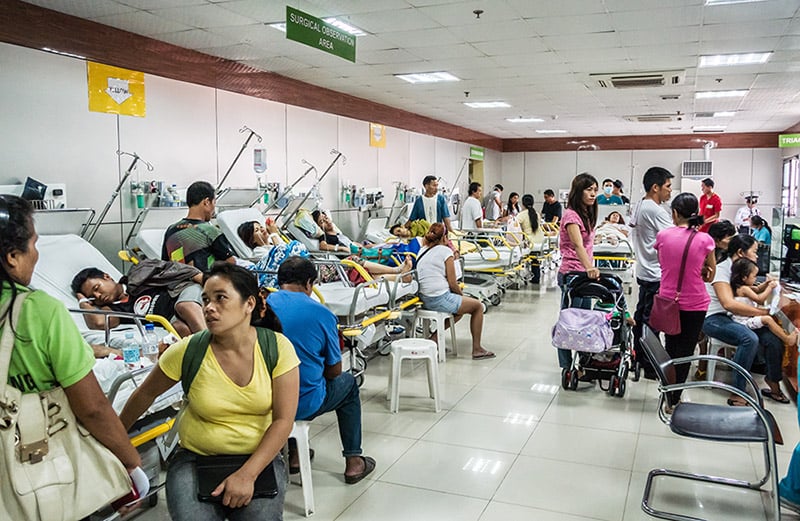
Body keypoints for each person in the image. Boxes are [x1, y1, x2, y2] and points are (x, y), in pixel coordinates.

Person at [119, 263, 300, 519]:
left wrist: (247, 474)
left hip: (259, 457)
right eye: (205, 300)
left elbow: (283, 420)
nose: (209, 308)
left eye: (220, 298)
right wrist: (116, 447)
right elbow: (144, 395)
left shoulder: (277, 348)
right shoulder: (189, 351)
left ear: (249, 304)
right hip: (195, 459)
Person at [0, 195, 143, 504]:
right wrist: (130, 462)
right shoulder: (39, 311)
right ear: (12, 256)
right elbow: (92, 408)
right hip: (41, 465)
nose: (36, 254)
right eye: (34, 244)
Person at [268, 257, 376, 484]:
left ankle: (295, 454)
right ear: (309, 283)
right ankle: (354, 462)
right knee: (348, 385)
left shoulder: (261, 307)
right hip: (303, 404)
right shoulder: (322, 314)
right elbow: (334, 371)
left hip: (264, 401)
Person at [702, 234, 788, 406]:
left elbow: (750, 292)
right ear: (741, 252)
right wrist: (762, 312)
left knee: (773, 337)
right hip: (715, 318)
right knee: (749, 338)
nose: (757, 256)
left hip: (736, 317)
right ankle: (737, 392)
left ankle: (773, 383)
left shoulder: (740, 270)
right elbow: (729, 304)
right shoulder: (722, 270)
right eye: (754, 252)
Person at [654, 193, 716, 408]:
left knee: (670, 349)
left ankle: (666, 391)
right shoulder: (706, 240)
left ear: (674, 213)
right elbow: (710, 276)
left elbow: (663, 265)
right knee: (686, 351)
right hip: (696, 303)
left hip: (668, 300)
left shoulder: (663, 236)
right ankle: (674, 399)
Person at [416, 222, 494, 360]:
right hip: (438, 298)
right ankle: (477, 349)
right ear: (444, 237)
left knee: (459, 312)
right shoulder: (446, 252)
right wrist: (462, 296)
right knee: (477, 306)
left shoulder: (422, 250)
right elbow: (452, 283)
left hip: (424, 298)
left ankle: (434, 338)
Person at [72, 261, 206, 337]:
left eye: (97, 288)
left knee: (184, 306)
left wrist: (204, 280)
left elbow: (175, 269)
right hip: (171, 316)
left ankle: (214, 348)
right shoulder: (116, 310)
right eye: (92, 297)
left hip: (183, 292)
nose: (98, 296)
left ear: (107, 277)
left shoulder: (137, 274)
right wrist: (82, 300)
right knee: (180, 329)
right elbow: (99, 323)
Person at [630, 166, 674, 379]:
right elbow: (673, 239)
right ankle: (650, 366)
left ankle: (638, 357)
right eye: (668, 186)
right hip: (656, 273)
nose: (670, 190)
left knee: (641, 317)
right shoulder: (656, 211)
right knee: (652, 322)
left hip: (644, 270)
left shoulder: (640, 205)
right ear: (655, 187)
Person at [556, 173, 600, 370]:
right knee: (568, 323)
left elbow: (587, 245)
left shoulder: (586, 214)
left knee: (584, 322)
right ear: (578, 191)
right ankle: (567, 366)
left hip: (584, 274)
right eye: (589, 190)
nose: (593, 194)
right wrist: (589, 267)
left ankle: (584, 361)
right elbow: (577, 245)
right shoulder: (571, 215)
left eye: (595, 190)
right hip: (572, 274)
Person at [695, 220, 738, 379]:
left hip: (711, 299)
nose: (733, 240)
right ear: (717, 240)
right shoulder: (711, 256)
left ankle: (704, 364)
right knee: (701, 331)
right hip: (704, 299)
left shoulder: (726, 256)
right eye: (729, 237)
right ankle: (703, 364)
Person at [162, 181, 236, 271]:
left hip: (176, 279)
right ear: (207, 202)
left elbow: (164, 264)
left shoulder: (170, 230)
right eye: (214, 203)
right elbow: (231, 263)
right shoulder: (211, 232)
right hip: (205, 279)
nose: (214, 210)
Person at [729, 258, 797, 354]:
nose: (756, 278)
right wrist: (770, 287)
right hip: (743, 323)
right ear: (744, 277)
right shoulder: (743, 289)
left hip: (747, 319)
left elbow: (757, 289)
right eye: (754, 276)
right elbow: (759, 299)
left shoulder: (744, 286)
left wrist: (766, 283)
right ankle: (787, 339)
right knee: (767, 319)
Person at [237, 220, 309, 288]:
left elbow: (287, 249)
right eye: (257, 230)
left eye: (261, 227)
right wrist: (274, 234)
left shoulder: (272, 242)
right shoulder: (258, 252)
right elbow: (280, 257)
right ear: (252, 240)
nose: (261, 229)